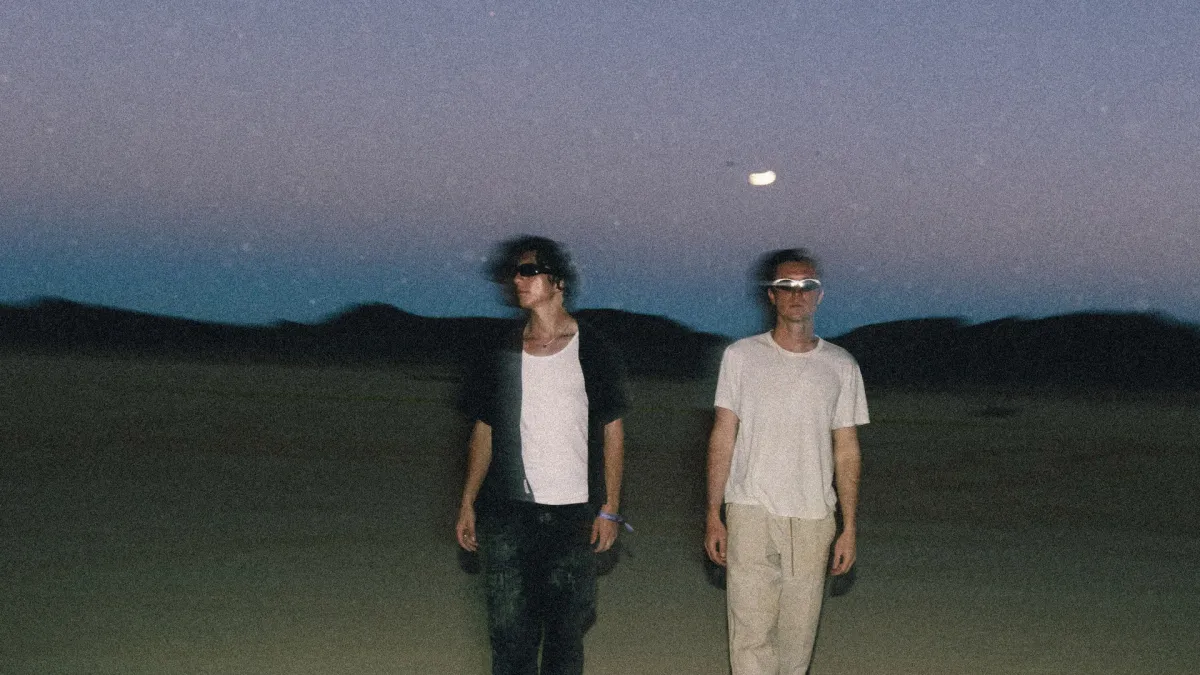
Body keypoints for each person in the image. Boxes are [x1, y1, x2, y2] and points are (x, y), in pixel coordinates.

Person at [455, 235, 629, 675]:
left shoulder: (593, 348)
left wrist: (609, 507)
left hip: (574, 516)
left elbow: (612, 430)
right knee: (509, 636)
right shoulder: (501, 351)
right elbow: (484, 430)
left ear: (558, 281)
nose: (518, 279)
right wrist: (468, 501)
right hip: (508, 514)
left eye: (529, 271)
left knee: (565, 635)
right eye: (515, 272)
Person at [704, 248, 869, 674]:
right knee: (750, 635)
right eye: (786, 286)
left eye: (807, 286)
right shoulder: (741, 357)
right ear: (772, 296)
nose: (798, 295)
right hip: (750, 511)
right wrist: (713, 513)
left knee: (798, 639)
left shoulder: (840, 365)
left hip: (813, 517)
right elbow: (723, 435)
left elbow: (847, 449)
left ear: (820, 295)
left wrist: (849, 526)